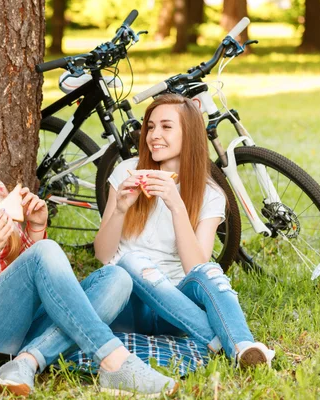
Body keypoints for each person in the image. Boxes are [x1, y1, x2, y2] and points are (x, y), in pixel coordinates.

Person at [0, 98, 179, 397]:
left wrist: (36, 227)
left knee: (117, 278)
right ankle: (114, 361)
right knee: (46, 252)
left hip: (20, 327)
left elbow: (20, 271)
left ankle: (27, 361)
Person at [94, 94, 274, 368]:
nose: (154, 135)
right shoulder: (127, 172)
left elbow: (196, 268)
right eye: (150, 127)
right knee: (132, 261)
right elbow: (102, 255)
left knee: (211, 271)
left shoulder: (210, 194)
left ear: (189, 134)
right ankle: (215, 341)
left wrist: (177, 206)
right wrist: (119, 209)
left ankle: (242, 347)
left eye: (166, 127)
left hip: (175, 312)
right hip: (129, 307)